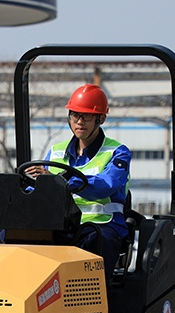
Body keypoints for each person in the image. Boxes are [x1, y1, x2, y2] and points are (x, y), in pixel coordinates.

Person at [25, 83, 132, 283]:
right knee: (10, 233)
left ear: (101, 119)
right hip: (62, 225)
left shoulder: (117, 152)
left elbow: (105, 186)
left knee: (94, 240)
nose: (79, 122)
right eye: (75, 115)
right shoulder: (56, 151)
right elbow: (37, 188)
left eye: (87, 116)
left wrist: (58, 181)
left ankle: (94, 304)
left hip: (103, 226)